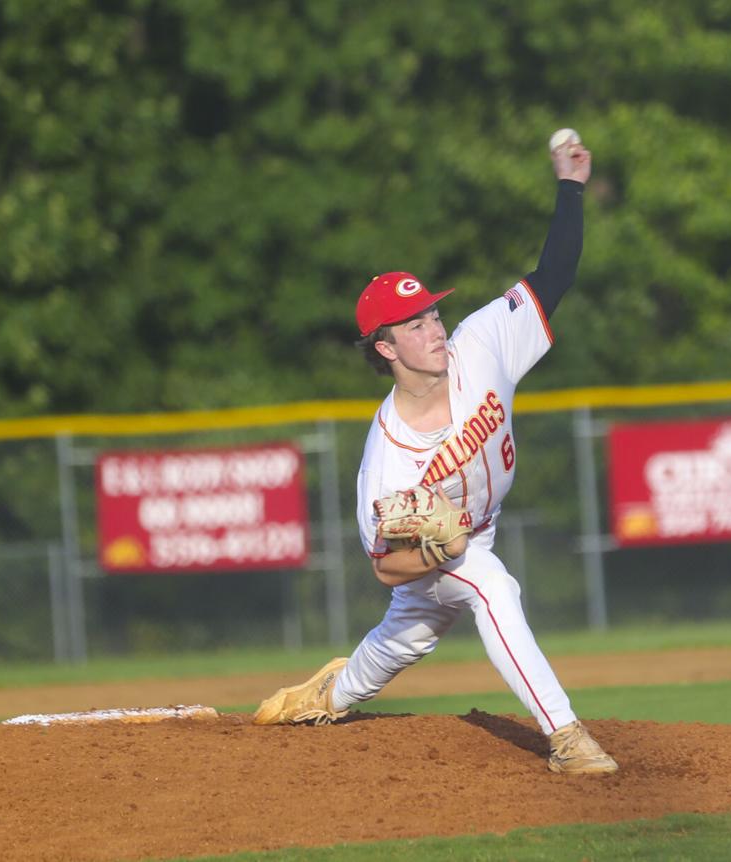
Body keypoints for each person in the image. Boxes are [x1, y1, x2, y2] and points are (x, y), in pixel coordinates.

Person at [252, 136, 618, 774]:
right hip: (439, 554)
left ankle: (327, 695)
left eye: (430, 313)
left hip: (475, 528)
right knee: (491, 586)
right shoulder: (388, 461)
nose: (434, 327)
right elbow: (386, 570)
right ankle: (567, 738)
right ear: (386, 349)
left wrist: (570, 186)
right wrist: (440, 549)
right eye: (415, 324)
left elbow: (553, 276)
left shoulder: (480, 343)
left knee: (396, 646)